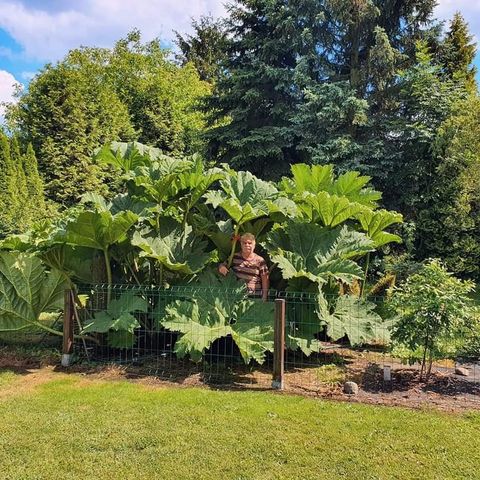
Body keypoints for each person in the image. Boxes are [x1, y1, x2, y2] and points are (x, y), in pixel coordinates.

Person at [218, 233, 269, 301]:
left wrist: (264, 297)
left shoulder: (260, 260)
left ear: (254, 245)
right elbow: (223, 265)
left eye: (249, 243)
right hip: (237, 296)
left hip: (254, 297)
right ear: (241, 245)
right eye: (244, 243)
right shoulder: (235, 256)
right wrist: (221, 267)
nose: (247, 245)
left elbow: (265, 278)